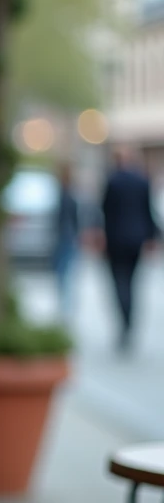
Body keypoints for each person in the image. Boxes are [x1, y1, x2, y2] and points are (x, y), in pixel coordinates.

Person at [101, 148, 159, 352]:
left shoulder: (113, 181)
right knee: (131, 282)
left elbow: (105, 212)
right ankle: (129, 320)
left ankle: (125, 321)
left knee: (120, 282)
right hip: (136, 239)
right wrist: (153, 237)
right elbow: (148, 210)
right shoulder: (142, 181)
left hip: (116, 240)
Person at [52, 164, 81, 319]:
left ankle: (66, 305)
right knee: (66, 272)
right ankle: (66, 305)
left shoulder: (64, 195)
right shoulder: (69, 194)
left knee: (63, 272)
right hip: (68, 237)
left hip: (64, 237)